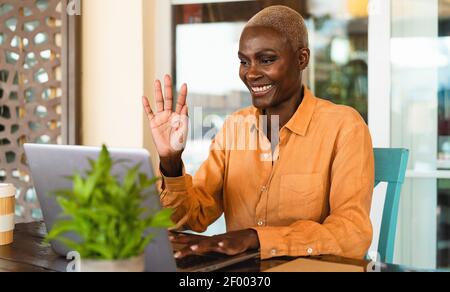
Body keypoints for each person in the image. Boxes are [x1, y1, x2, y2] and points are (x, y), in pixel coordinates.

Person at [142, 5, 374, 261]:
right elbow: (190, 217)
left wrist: (255, 238)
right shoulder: (235, 127)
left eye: (266, 59)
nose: (251, 73)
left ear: (302, 59)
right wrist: (171, 161)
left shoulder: (343, 126)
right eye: (244, 61)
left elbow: (352, 233)